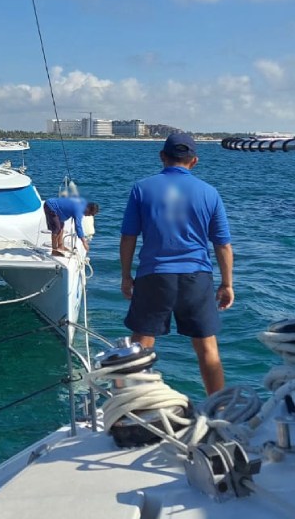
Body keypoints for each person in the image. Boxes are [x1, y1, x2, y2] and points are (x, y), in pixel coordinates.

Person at [119, 132, 234, 396]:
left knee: (141, 347)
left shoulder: (141, 188)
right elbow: (223, 244)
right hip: (196, 277)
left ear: (162, 157)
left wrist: (126, 276)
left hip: (153, 276)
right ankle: (221, 408)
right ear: (194, 161)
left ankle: (134, 406)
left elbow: (128, 237)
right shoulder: (210, 193)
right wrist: (227, 284)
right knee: (207, 348)